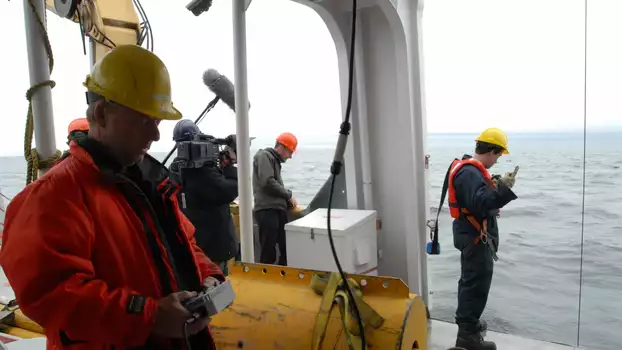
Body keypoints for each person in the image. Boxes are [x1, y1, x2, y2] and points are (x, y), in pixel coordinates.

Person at [0, 45, 225, 350]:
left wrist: (209, 277)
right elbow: (50, 294)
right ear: (102, 113)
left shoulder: (151, 183)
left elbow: (184, 244)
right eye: (144, 121)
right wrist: (150, 316)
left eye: (157, 122)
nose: (156, 135)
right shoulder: (54, 195)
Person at [448, 127, 518, 350]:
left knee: (473, 284)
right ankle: (466, 337)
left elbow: (476, 198)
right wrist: (503, 189)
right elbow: (482, 202)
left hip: (473, 237)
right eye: (498, 155)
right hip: (475, 239)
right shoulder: (469, 173)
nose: (496, 161)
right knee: (474, 286)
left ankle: (470, 330)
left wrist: (495, 184)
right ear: (492, 151)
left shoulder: (470, 171)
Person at [169, 119, 239, 276]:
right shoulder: (202, 171)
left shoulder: (177, 167)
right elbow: (227, 191)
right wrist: (229, 167)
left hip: (193, 243)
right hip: (213, 247)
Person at [252, 132, 298, 266]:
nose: (290, 156)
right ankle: (266, 281)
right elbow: (267, 182)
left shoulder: (274, 161)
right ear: (283, 147)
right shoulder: (264, 156)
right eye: (290, 152)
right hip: (267, 210)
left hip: (277, 210)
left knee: (285, 248)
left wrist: (287, 201)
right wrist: (288, 195)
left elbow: (272, 184)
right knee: (268, 251)